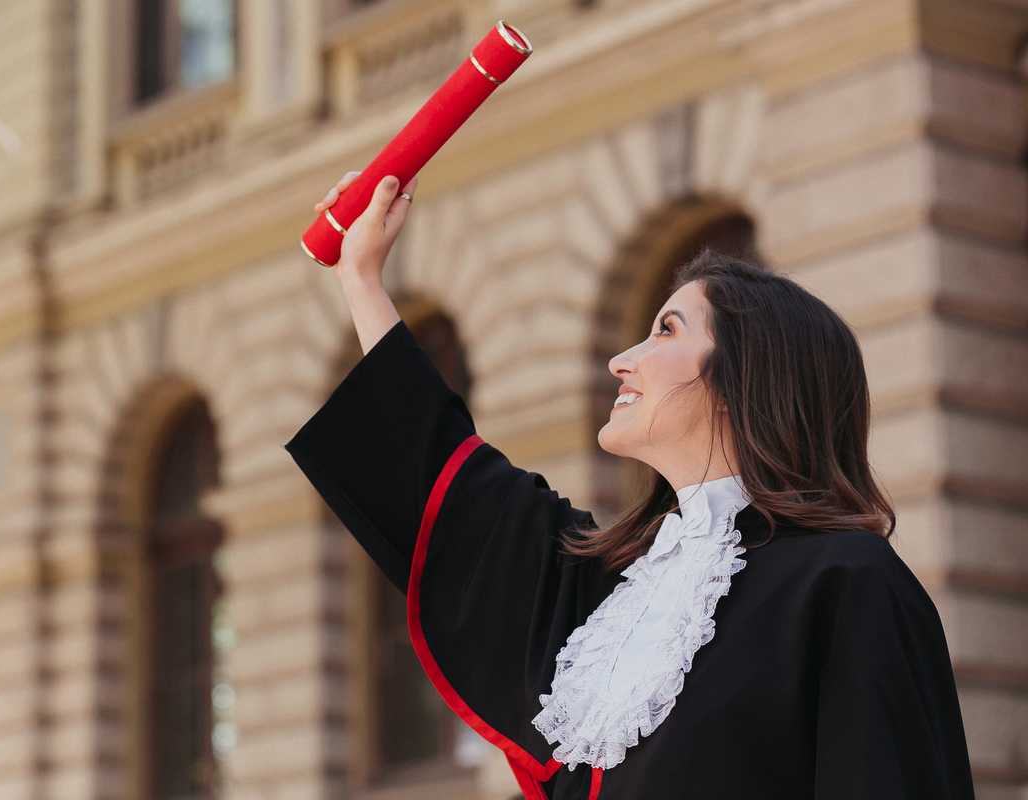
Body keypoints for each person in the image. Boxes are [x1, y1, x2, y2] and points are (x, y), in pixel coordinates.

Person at [286, 172, 977, 800]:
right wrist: (364, 281)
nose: (623, 360)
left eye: (664, 332)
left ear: (745, 378)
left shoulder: (847, 584)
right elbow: (456, 485)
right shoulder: (613, 596)